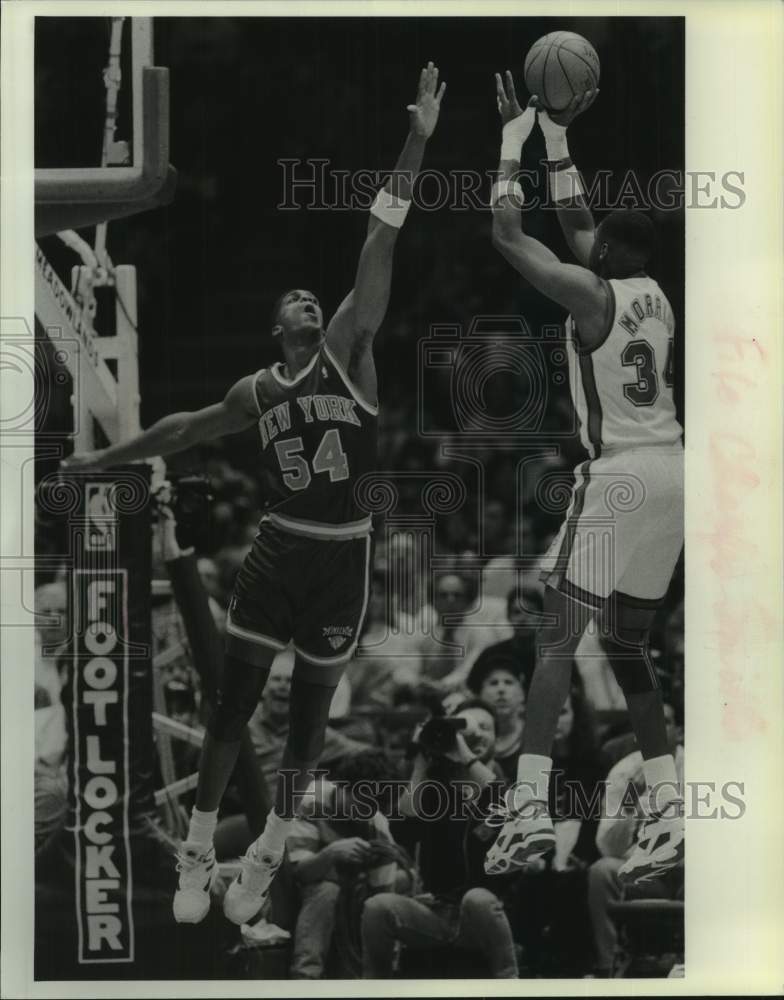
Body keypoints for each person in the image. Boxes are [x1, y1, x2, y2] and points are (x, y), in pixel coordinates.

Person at [61, 61, 447, 926]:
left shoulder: (352, 351)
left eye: (317, 296)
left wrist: (417, 140)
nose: (312, 299)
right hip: (277, 551)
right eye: (297, 299)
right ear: (278, 327)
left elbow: (380, 239)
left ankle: (268, 851)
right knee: (234, 704)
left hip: (344, 560)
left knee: (308, 727)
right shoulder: (255, 392)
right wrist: (99, 465)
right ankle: (199, 848)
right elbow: (177, 432)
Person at [485, 74, 684, 886]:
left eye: (595, 238)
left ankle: (528, 808)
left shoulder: (590, 295)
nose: (585, 237)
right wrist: (556, 136)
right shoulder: (654, 296)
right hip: (676, 472)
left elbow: (508, 234)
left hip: (622, 478)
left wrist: (509, 140)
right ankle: (669, 803)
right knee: (628, 644)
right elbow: (574, 219)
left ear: (607, 252)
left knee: (556, 639)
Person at [361, 699, 518, 979]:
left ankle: (510, 983)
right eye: (466, 728)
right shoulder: (436, 789)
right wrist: (421, 764)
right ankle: (376, 989)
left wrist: (467, 759)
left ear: (498, 737)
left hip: (494, 910)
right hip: (440, 911)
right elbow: (401, 830)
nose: (476, 734)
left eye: (485, 728)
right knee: (377, 907)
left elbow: (508, 806)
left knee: (477, 898)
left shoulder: (509, 779)